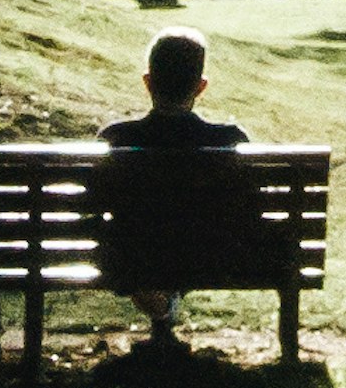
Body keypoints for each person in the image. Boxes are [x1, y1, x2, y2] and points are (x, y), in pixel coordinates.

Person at [96, 26, 247, 345]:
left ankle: (160, 305)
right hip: (207, 255)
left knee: (130, 239)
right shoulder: (230, 140)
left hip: (135, 255)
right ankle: (165, 305)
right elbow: (247, 213)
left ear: (147, 81)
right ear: (201, 86)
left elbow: (93, 211)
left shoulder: (115, 138)